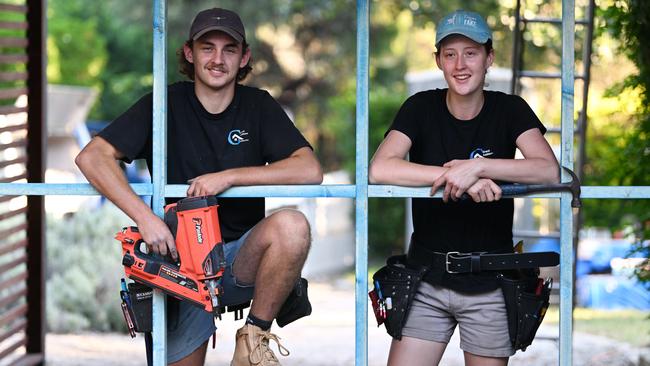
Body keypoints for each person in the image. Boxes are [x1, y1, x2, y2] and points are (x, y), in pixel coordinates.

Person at [76, 7, 323, 366]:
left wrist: (231, 176)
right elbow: (92, 157)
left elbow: (309, 169)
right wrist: (146, 218)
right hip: (181, 264)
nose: (218, 59)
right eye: (208, 47)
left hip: (241, 260)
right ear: (189, 53)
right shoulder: (163, 104)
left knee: (293, 225)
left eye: (229, 50)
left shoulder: (258, 105)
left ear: (244, 57)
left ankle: (253, 339)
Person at [368, 10, 559, 366]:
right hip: (426, 278)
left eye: (471, 53)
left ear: (489, 58)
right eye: (450, 53)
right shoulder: (420, 107)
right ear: (438, 60)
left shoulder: (510, 109)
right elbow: (380, 168)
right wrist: (451, 176)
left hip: (491, 282)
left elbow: (548, 169)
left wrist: (479, 167)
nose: (460, 64)